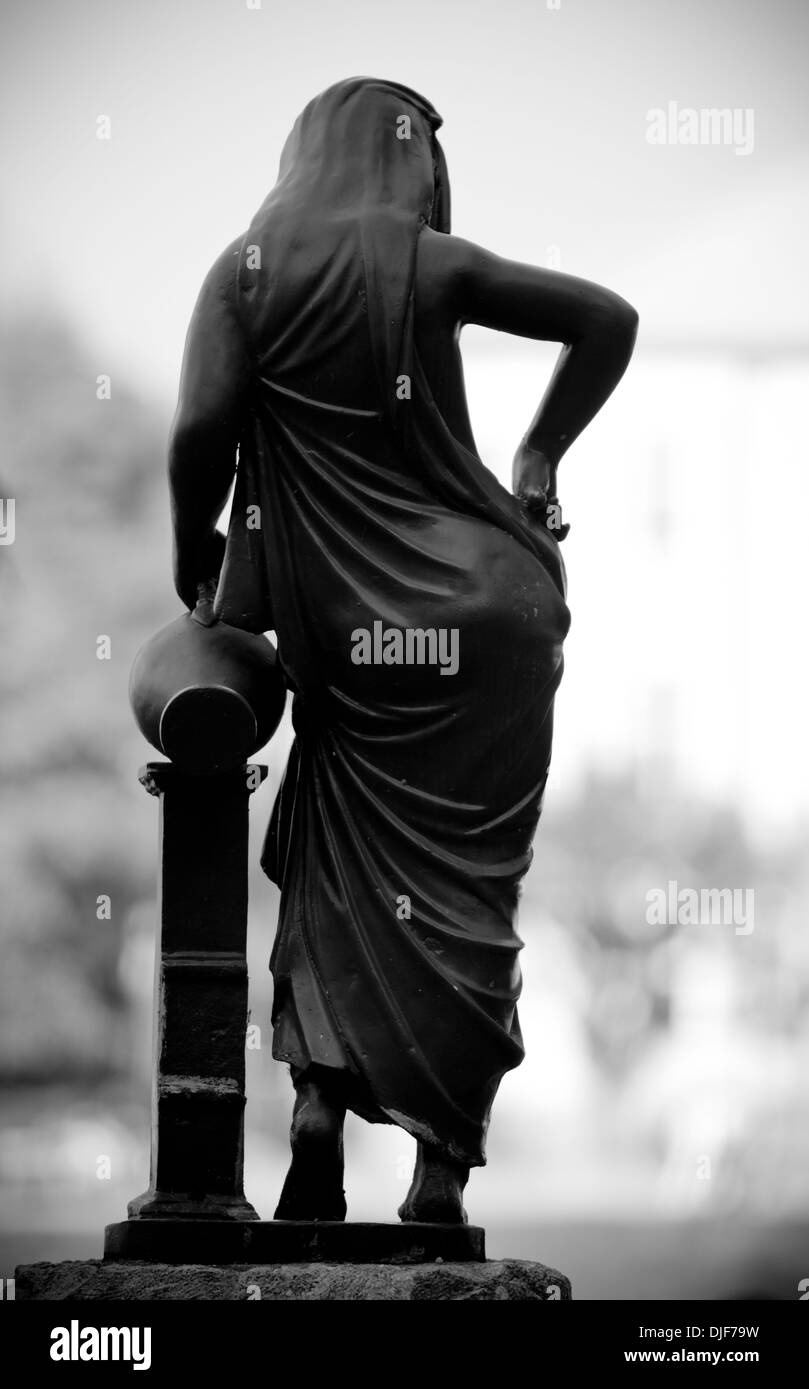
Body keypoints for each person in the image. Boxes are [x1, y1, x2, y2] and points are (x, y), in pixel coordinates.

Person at [169, 77, 638, 1224]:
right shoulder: (431, 262)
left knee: (336, 867)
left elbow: (197, 432)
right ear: (405, 161)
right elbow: (607, 318)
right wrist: (534, 463)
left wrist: (199, 554)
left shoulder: (244, 268)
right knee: (470, 893)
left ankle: (317, 1118)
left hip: (353, 634)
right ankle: (438, 1174)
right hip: (494, 613)